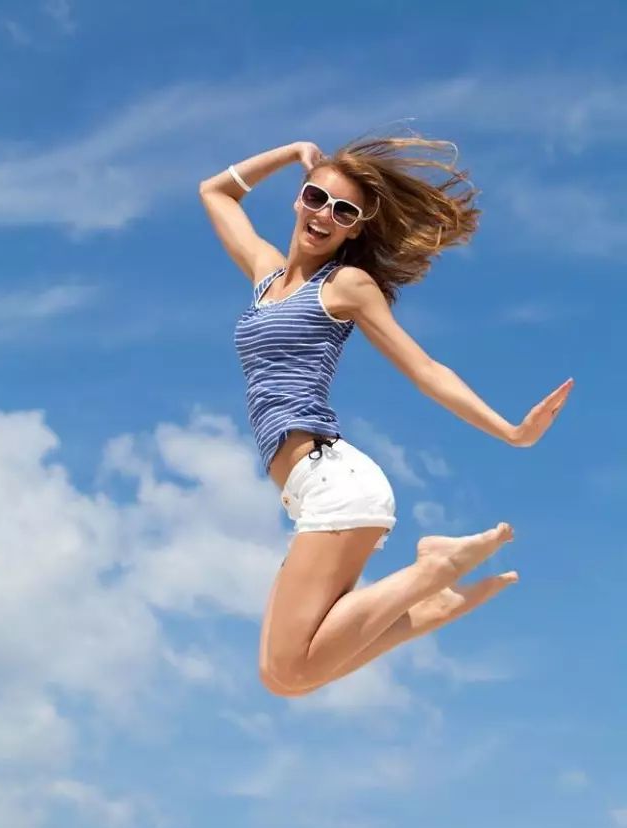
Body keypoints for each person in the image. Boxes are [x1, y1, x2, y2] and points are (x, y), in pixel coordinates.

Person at [199, 132, 573, 698]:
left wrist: (511, 432)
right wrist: (293, 152)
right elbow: (215, 192)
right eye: (317, 198)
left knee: (289, 671)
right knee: (285, 674)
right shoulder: (266, 273)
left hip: (335, 484)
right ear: (299, 199)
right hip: (312, 492)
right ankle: (433, 600)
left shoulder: (345, 286)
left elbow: (424, 368)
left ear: (354, 229)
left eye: (343, 211)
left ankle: (433, 570)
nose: (325, 215)